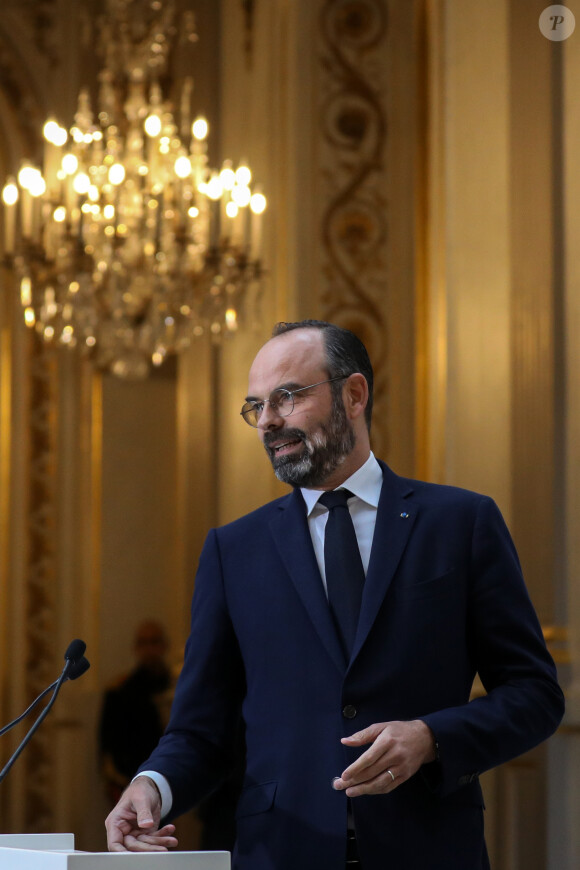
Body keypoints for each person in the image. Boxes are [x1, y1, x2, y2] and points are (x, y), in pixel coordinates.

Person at [105, 320, 565, 869]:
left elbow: (534, 693)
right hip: (280, 851)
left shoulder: (461, 523)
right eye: (257, 406)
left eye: (288, 397)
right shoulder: (234, 550)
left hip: (430, 847)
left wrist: (430, 737)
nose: (269, 420)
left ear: (353, 394)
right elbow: (201, 730)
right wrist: (152, 786)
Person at [99, 620, 173, 804]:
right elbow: (108, 747)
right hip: (135, 782)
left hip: (177, 782)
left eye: (154, 642)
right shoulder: (121, 692)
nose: (149, 649)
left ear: (164, 646)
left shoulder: (181, 686)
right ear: (136, 648)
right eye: (143, 643)